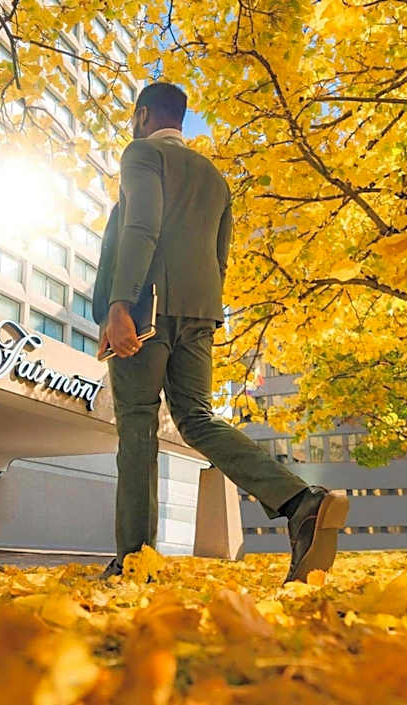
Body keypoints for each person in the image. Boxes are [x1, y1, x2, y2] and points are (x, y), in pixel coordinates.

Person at [93, 82, 349, 584]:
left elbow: (141, 225)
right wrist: (202, 313)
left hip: (145, 311)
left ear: (142, 116)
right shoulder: (215, 178)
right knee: (197, 419)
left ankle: (133, 562)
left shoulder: (141, 154)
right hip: (201, 315)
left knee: (139, 425)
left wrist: (121, 303)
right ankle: (299, 501)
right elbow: (220, 258)